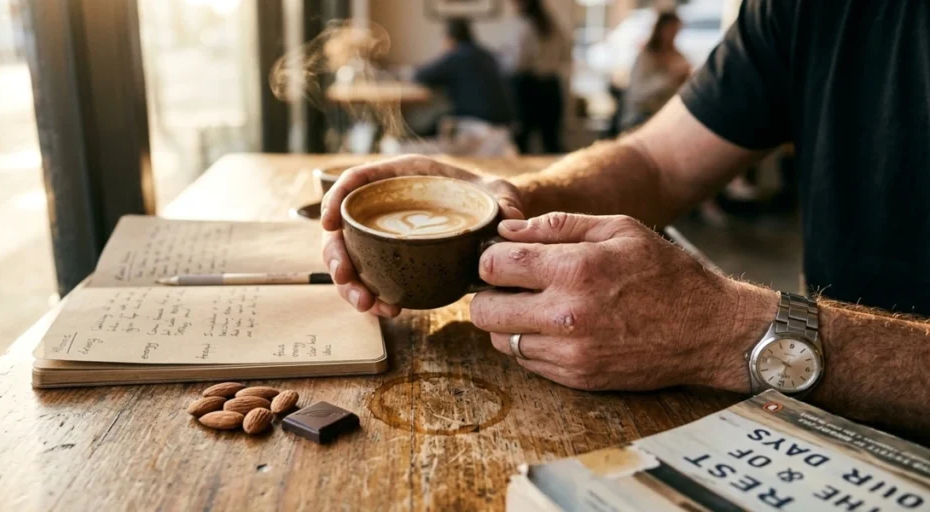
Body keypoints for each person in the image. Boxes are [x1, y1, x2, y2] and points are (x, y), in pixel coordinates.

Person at [319, 0, 930, 438]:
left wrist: (733, 331)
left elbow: (724, 325)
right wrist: (504, 202)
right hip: (818, 431)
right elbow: (657, 163)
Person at [413, 18, 513, 128]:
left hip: (479, 122)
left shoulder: (456, 56)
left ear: (450, 39)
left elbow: (422, 76)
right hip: (504, 121)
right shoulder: (486, 54)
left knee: (429, 125)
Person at [498, 0, 568, 154]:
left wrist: (501, 57)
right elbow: (566, 54)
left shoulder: (523, 25)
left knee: (521, 140)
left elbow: (518, 62)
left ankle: (522, 177)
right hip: (552, 85)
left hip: (528, 87)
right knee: (551, 141)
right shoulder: (553, 26)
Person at [619, 11, 691, 131]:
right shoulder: (646, 57)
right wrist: (669, 78)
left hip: (667, 116)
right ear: (660, 30)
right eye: (671, 30)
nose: (673, 35)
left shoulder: (678, 56)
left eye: (676, 31)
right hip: (642, 115)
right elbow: (638, 92)